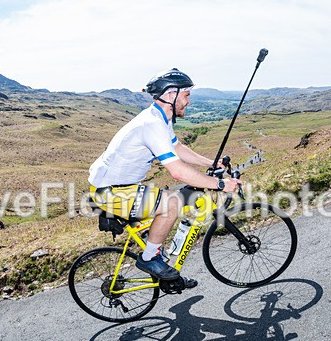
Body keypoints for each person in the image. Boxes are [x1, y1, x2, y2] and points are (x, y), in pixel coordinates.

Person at [88, 68, 241, 280]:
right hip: (111, 192)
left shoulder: (160, 118)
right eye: (186, 95)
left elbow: (177, 147)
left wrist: (212, 163)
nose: (188, 101)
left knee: (186, 194)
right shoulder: (152, 124)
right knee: (172, 204)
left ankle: (165, 256)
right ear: (171, 95)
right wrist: (220, 184)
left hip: (121, 187)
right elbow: (177, 171)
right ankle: (150, 258)